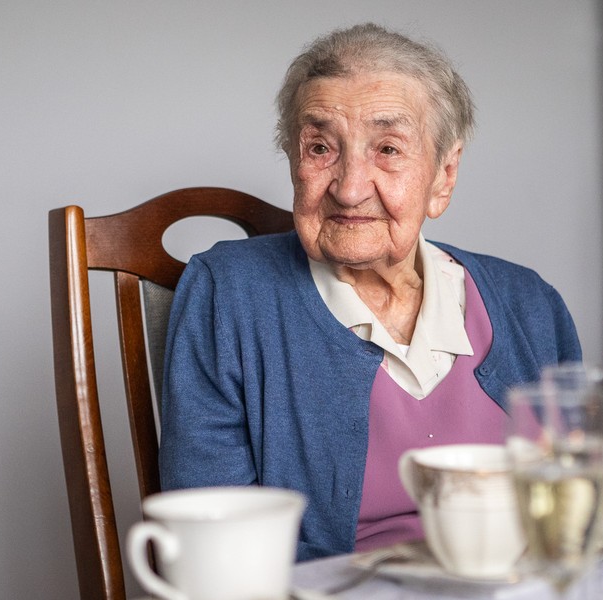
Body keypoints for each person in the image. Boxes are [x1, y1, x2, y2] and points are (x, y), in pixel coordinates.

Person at [158, 22, 581, 562]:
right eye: (320, 148)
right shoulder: (229, 296)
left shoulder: (531, 306)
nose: (350, 188)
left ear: (444, 175)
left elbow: (570, 524)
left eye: (387, 148)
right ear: (293, 162)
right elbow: (215, 546)